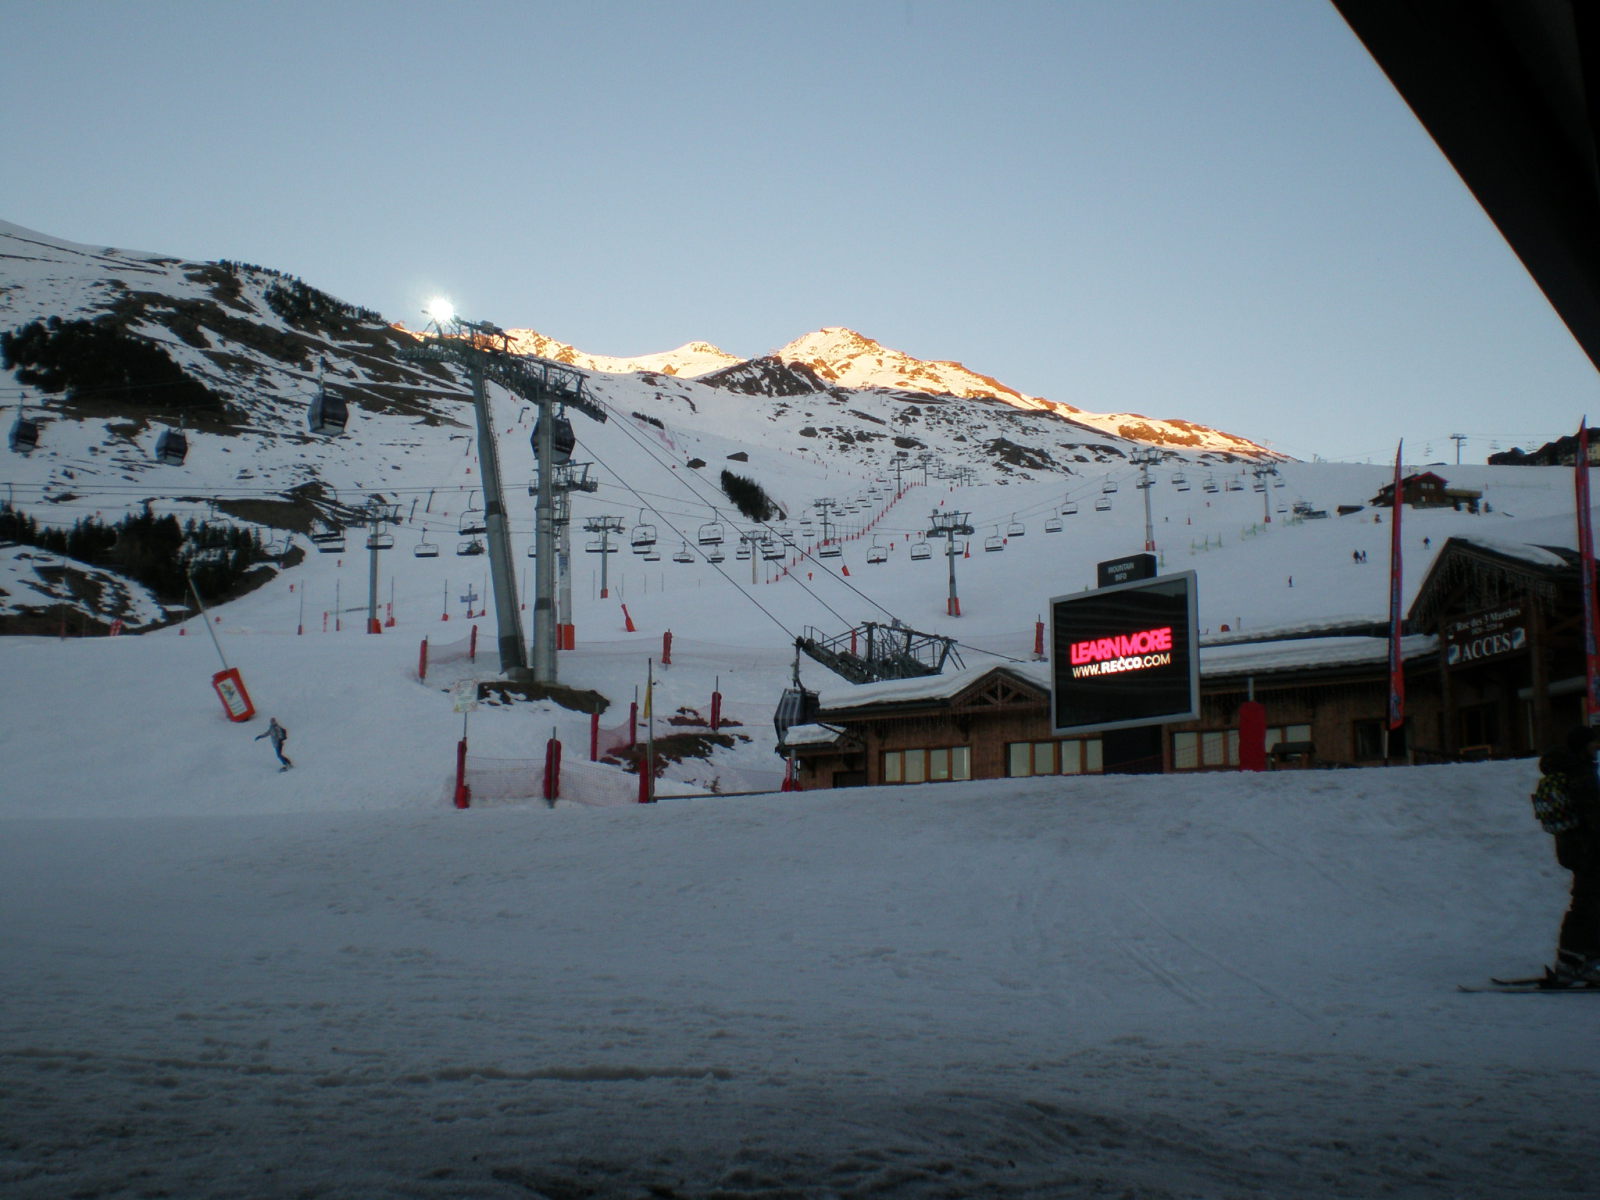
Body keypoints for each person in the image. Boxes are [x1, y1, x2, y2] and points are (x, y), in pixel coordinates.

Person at [1535, 725, 1600, 983]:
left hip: (1578, 848)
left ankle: (1585, 962)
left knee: (1591, 905)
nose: (1597, 746)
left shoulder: (1574, 770)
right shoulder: (1579, 774)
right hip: (1588, 850)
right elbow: (1592, 815)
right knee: (1586, 906)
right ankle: (1570, 964)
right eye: (1593, 742)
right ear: (1583, 745)